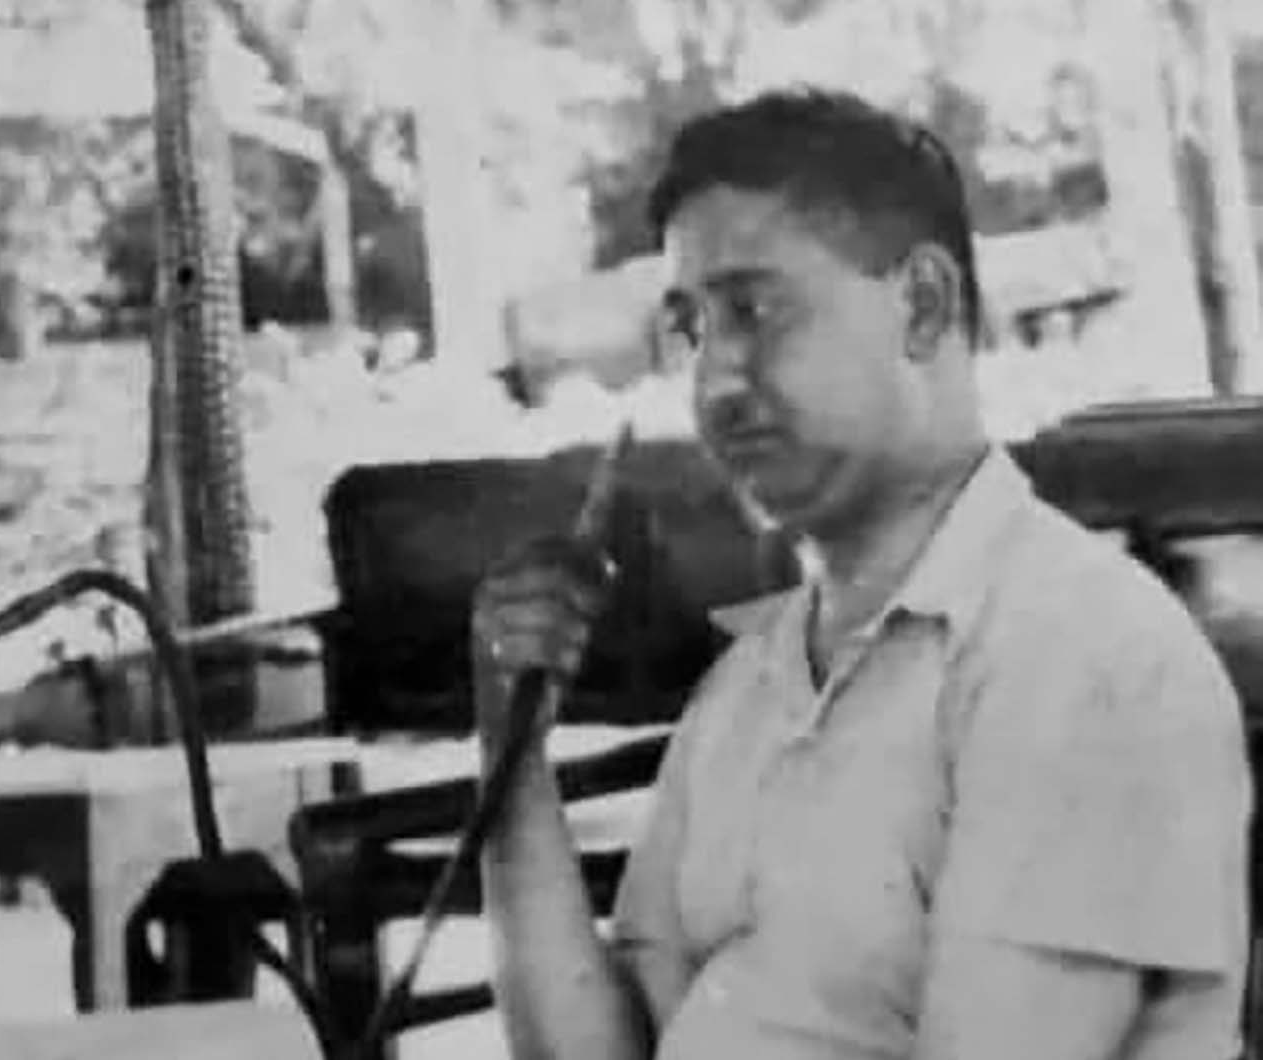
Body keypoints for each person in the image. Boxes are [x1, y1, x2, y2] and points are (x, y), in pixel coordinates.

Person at [471, 87, 1252, 1060]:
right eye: (692, 328)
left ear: (921, 304)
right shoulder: (749, 684)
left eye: (754, 311)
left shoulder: (1077, 655)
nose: (712, 382)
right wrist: (510, 751)